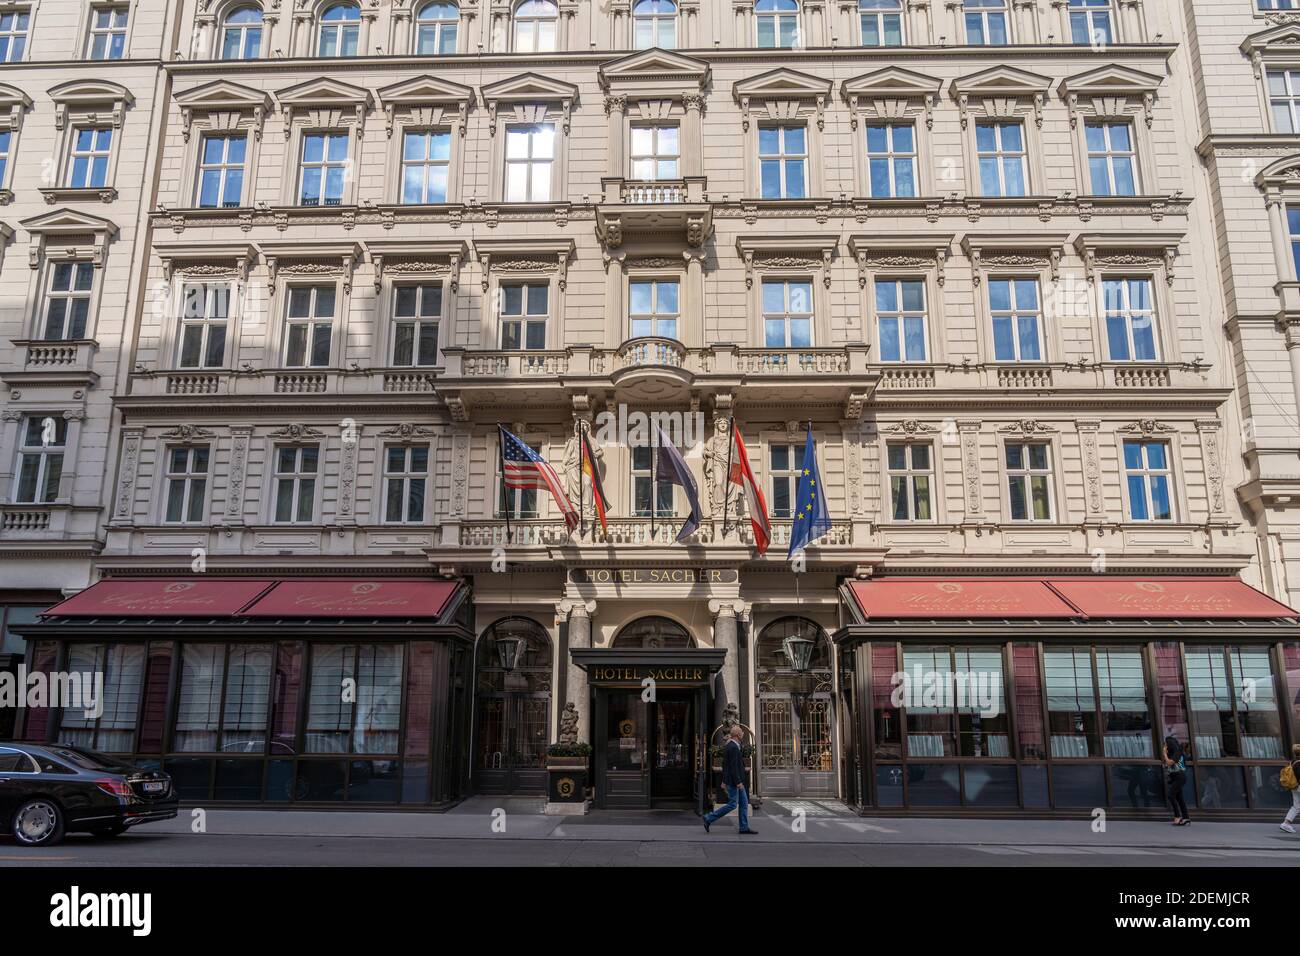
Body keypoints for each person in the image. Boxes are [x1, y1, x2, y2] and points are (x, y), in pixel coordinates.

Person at [703, 724, 756, 835]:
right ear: (737, 734)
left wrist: (723, 780)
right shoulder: (732, 747)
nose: (743, 733)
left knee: (744, 803)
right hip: (735, 782)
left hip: (734, 780)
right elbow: (733, 767)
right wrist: (738, 782)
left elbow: (725, 764)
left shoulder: (732, 745)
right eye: (741, 732)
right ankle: (709, 818)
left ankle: (743, 827)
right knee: (733, 804)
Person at [1163, 735, 1190, 826]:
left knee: (1171, 795)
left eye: (1166, 744)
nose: (1165, 745)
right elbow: (1168, 764)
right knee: (1179, 798)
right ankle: (1186, 817)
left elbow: (1170, 762)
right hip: (1175, 777)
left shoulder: (1178, 751)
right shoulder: (1173, 753)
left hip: (1179, 777)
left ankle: (1177, 816)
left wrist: (1164, 754)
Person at [1281, 744, 1300, 834]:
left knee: (1296, 806)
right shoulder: (1299, 763)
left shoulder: (1293, 762)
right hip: (1299, 786)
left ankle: (1286, 823)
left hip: (1294, 786)